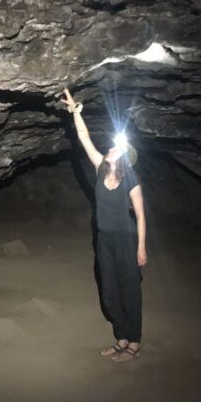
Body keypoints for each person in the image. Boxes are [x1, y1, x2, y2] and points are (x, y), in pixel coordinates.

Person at [61, 87, 147, 363]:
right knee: (109, 291)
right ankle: (120, 337)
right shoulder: (100, 169)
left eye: (116, 148)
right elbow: (84, 138)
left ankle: (133, 342)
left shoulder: (131, 180)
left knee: (129, 290)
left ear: (123, 158)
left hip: (126, 239)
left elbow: (141, 215)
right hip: (103, 239)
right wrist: (75, 112)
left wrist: (141, 248)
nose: (110, 148)